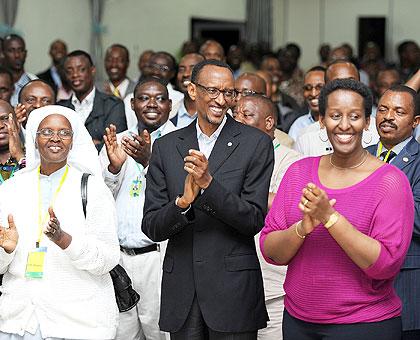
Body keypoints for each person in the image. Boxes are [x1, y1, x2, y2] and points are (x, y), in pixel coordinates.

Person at [260, 78, 414, 340]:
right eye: (334, 115)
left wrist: (330, 217)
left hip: (364, 324)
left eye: (354, 116)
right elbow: (271, 251)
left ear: (367, 122)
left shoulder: (390, 181)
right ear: (322, 120)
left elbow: (385, 265)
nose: (344, 125)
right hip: (299, 322)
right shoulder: (299, 173)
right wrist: (301, 228)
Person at [142, 59, 272, 339]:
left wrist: (209, 185)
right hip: (183, 294)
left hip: (233, 292)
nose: (221, 100)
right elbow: (152, 227)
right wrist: (182, 203)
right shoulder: (166, 147)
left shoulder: (255, 143)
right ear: (192, 90)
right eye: (213, 91)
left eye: (228, 93)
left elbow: (252, 219)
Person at [0, 105, 118, 339]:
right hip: (20, 321)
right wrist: (7, 250)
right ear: (34, 139)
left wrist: (65, 240)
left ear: (73, 141)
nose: (55, 138)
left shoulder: (92, 188)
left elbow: (108, 259)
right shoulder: (12, 188)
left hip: (76, 323)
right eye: (46, 132)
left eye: (64, 132)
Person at [100, 77, 176, 340]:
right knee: (122, 334)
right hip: (120, 259)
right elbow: (100, 199)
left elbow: (181, 199)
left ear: (170, 105)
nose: (152, 104)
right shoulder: (117, 141)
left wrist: (148, 162)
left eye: (159, 98)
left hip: (158, 260)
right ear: (132, 104)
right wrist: (113, 169)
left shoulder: (181, 142)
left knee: (161, 334)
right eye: (144, 98)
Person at [366, 85, 420, 340]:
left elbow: (417, 218)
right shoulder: (359, 157)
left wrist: (366, 204)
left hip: (404, 284)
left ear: (415, 121)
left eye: (399, 111)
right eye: (384, 109)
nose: (388, 116)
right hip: (358, 285)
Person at [294, 61, 379, 156]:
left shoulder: (378, 133)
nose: (345, 90)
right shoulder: (306, 138)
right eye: (337, 84)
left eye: (351, 82)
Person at [58, 50, 127, 150]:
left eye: (81, 69)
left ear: (92, 70)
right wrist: (92, 143)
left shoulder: (113, 105)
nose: (75, 75)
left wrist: (71, 145)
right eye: (69, 71)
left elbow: (113, 147)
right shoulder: (60, 108)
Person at [233, 72, 293, 148]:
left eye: (246, 93)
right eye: (235, 92)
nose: (238, 98)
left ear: (263, 96)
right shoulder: (224, 128)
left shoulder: (284, 142)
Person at [125, 52, 183, 127]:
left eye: (163, 68)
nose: (156, 72)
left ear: (172, 73)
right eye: (153, 66)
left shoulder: (181, 99)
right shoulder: (129, 98)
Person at [288, 66, 326, 141]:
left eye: (320, 87)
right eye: (308, 88)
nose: (313, 93)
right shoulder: (299, 124)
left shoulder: (339, 122)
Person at [2, 34, 37, 107]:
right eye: (11, 50)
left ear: (25, 53)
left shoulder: (34, 82)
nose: (17, 55)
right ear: (2, 53)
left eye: (20, 50)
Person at [171, 53, 204, 128]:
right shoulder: (170, 112)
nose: (185, 74)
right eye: (181, 70)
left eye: (193, 69)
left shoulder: (217, 112)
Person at [0, 100, 25, 184]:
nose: (0, 126)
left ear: (17, 125)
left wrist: (19, 156)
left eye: (6, 118)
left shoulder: (35, 157)